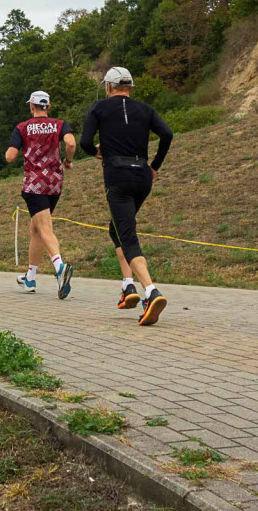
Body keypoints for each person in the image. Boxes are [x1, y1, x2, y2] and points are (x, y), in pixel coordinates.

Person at [80, 67, 173, 326]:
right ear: (130, 88)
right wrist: (155, 165)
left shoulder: (99, 108)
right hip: (142, 175)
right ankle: (128, 285)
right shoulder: (146, 109)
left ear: (108, 87)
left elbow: (85, 141)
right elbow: (167, 134)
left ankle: (151, 291)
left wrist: (99, 152)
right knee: (117, 229)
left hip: (117, 175)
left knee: (128, 236)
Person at [6, 90, 76, 299]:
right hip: (54, 183)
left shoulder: (22, 128)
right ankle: (30, 277)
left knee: (44, 228)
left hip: (34, 184)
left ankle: (59, 267)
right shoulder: (60, 124)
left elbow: (10, 157)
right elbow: (71, 143)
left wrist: (14, 150)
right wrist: (68, 160)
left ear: (31, 106)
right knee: (35, 228)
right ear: (48, 106)